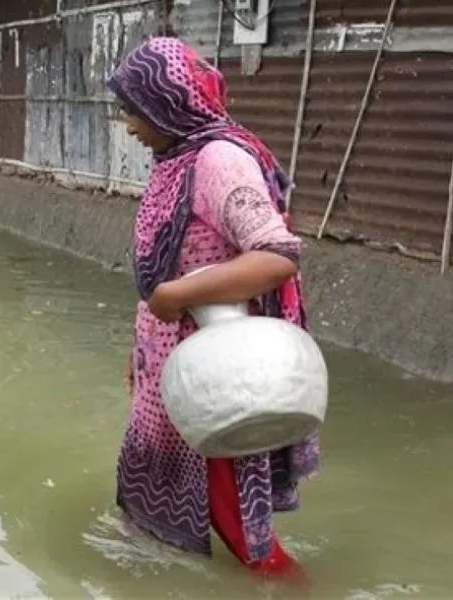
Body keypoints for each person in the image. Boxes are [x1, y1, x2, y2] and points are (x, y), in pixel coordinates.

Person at [107, 37, 318, 582]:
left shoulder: (219, 160)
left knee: (244, 531)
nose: (129, 126)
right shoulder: (174, 159)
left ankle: (289, 589)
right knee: (148, 494)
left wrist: (175, 298)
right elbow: (163, 266)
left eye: (134, 111)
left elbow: (277, 256)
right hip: (168, 369)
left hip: (215, 374)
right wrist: (139, 352)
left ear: (168, 103)